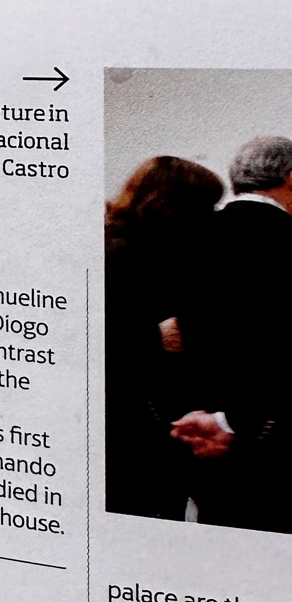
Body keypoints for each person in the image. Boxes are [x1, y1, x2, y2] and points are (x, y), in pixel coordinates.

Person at [172, 134, 292, 533]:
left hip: (189, 431)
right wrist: (237, 422)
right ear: (290, 178)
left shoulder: (184, 235)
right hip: (272, 439)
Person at [104, 155, 223, 518]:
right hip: (132, 422)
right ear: (178, 207)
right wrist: (156, 338)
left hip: (142, 417)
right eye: (207, 206)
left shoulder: (130, 247)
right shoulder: (124, 257)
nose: (213, 216)